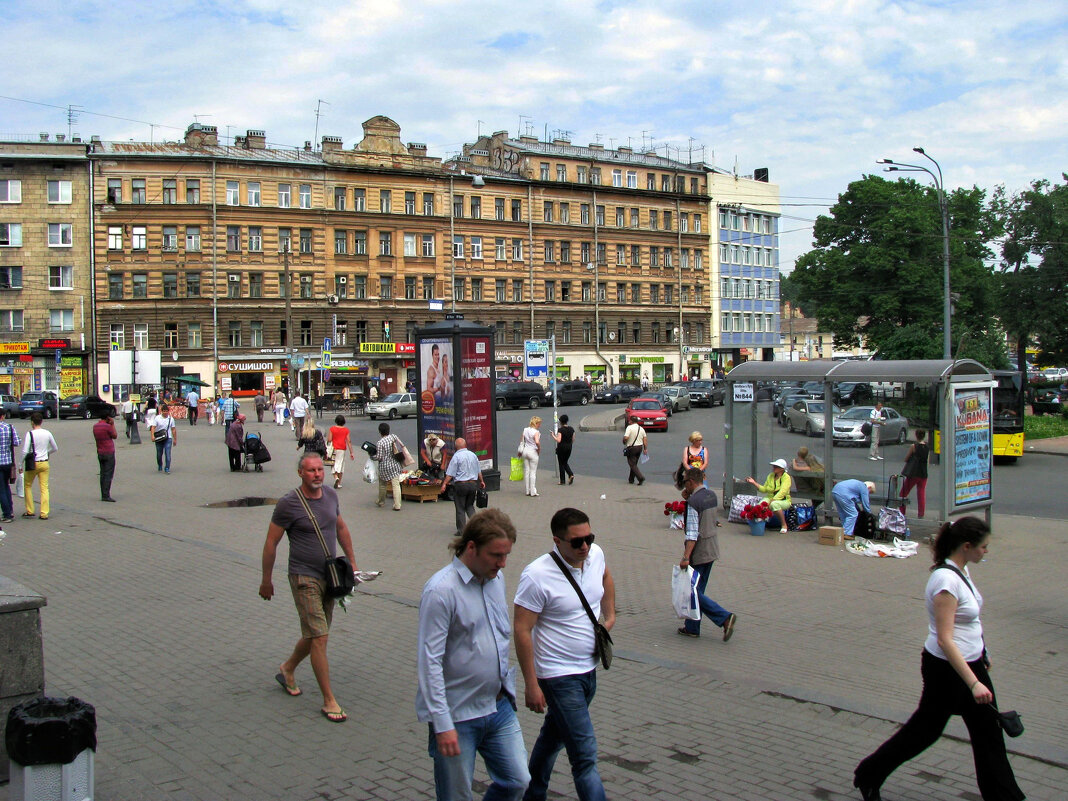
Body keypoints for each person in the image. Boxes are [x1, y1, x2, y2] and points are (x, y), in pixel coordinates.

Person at [853, 517, 1024, 801]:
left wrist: (983, 652)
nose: (987, 552)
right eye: (984, 547)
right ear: (967, 546)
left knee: (989, 736)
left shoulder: (962, 571)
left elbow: (969, 622)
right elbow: (946, 639)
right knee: (925, 732)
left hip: (970, 664)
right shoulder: (945, 581)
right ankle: (869, 774)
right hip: (947, 671)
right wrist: (974, 684)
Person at [416, 509, 530, 801]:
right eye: (495, 555)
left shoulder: (495, 579)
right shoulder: (441, 591)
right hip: (457, 715)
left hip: (498, 706)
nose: (502, 563)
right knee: (457, 795)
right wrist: (442, 724)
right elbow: (429, 662)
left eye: (506, 555)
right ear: (471, 547)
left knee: (518, 781)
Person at [514, 507, 615, 801]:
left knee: (552, 738)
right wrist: (532, 685)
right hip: (558, 676)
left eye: (589, 538)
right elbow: (522, 630)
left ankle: (532, 794)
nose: (585, 546)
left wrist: (609, 617)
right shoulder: (536, 576)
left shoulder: (595, 555)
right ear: (557, 541)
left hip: (589, 670)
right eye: (577, 542)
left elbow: (606, 577)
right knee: (584, 757)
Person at [259, 453, 358, 724]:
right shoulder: (288, 504)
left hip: (330, 576)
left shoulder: (330, 496)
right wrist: (266, 579)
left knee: (317, 633)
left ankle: (288, 668)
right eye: (311, 470)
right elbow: (271, 542)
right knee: (320, 637)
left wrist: (352, 563)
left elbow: (341, 528)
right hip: (303, 577)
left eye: (320, 470)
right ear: (301, 473)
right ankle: (329, 700)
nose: (317, 474)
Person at [677, 468, 736, 641]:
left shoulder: (694, 502)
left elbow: (692, 533)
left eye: (685, 482)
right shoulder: (711, 495)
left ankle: (724, 617)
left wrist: (686, 556)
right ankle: (692, 627)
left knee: (691, 591)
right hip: (712, 548)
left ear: (691, 482)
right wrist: (689, 497)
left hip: (700, 551)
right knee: (698, 589)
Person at [439, 437, 485, 537]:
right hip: (473, 484)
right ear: (465, 445)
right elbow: (478, 471)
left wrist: (444, 484)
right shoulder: (473, 455)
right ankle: (477, 527)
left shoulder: (456, 457)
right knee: (469, 506)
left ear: (456, 447)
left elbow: (450, 473)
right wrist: (481, 481)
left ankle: (461, 530)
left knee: (460, 508)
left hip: (461, 485)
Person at [21, 412, 58, 520]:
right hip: (44, 463)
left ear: (32, 422)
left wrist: (20, 463)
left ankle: (30, 510)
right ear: (41, 421)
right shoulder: (47, 433)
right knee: (44, 488)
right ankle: (44, 513)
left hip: (33, 463)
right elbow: (55, 448)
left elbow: (25, 450)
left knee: (27, 485)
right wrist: (47, 453)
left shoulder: (30, 434)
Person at [745, 459, 792, 534]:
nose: (774, 468)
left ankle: (784, 525)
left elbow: (783, 491)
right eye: (774, 466)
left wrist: (773, 500)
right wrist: (753, 482)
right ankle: (760, 524)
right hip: (770, 497)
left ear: (782, 469)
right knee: (759, 506)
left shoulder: (786, 477)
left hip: (784, 500)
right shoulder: (770, 476)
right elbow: (764, 489)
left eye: (776, 467)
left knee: (774, 504)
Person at [373, 422, 405, 511]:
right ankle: (397, 505)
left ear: (380, 432)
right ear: (388, 430)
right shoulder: (393, 437)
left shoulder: (380, 443)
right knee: (396, 485)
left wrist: (372, 457)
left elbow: (379, 457)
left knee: (383, 484)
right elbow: (400, 446)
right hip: (395, 464)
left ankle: (381, 501)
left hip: (384, 466)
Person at [899, 429, 930, 518]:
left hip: (914, 473)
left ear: (916, 435)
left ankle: (902, 512)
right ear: (924, 436)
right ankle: (921, 514)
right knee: (921, 493)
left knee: (903, 493)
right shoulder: (927, 447)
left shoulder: (914, 446)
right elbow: (927, 461)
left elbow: (906, 458)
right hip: (923, 473)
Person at [0, 407, 20, 522]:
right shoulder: (10, 427)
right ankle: (10, 511)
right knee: (6, 486)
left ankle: (7, 514)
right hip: (8, 462)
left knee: (1, 488)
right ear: (3, 416)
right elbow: (17, 442)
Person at [94, 410, 118, 501]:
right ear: (108, 417)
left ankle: (103, 493)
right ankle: (106, 495)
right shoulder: (107, 426)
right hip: (109, 452)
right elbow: (115, 435)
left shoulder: (95, 426)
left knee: (102, 473)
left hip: (100, 452)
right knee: (108, 474)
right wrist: (112, 424)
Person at [327, 415, 354, 489]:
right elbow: (349, 441)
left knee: (333, 463)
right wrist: (351, 452)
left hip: (334, 448)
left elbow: (329, 439)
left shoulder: (332, 429)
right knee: (341, 465)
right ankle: (339, 483)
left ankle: (336, 477)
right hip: (342, 449)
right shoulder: (346, 430)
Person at [518, 416, 542, 497]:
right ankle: (533, 491)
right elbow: (537, 442)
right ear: (536, 423)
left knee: (527, 471)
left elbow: (521, 440)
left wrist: (520, 451)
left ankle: (527, 490)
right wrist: (539, 449)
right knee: (533, 472)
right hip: (533, 452)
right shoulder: (536, 432)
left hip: (525, 451)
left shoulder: (525, 430)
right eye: (539, 423)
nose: (540, 425)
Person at [622, 416, 648, 486]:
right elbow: (645, 440)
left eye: (629, 420)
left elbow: (626, 437)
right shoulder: (641, 428)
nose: (628, 421)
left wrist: (624, 441)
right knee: (634, 464)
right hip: (640, 448)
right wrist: (645, 449)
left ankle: (640, 477)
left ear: (631, 421)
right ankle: (631, 479)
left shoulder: (629, 428)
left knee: (632, 464)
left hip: (632, 448)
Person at [550, 415, 575, 486]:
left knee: (561, 463)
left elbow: (558, 440)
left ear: (561, 422)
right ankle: (570, 475)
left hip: (561, 448)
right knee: (565, 462)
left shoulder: (560, 430)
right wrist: (569, 444)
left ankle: (563, 480)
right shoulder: (571, 429)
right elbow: (573, 439)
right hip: (569, 447)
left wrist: (553, 435)